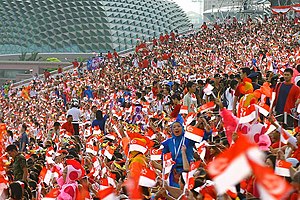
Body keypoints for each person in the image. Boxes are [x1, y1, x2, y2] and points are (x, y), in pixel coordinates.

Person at [162, 121, 196, 188]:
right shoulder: (168, 142)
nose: (176, 128)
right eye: (174, 127)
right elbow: (163, 157)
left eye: (178, 126)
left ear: (182, 128)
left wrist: (207, 130)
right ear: (171, 130)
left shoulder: (188, 139)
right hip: (174, 172)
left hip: (188, 169)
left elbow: (201, 138)